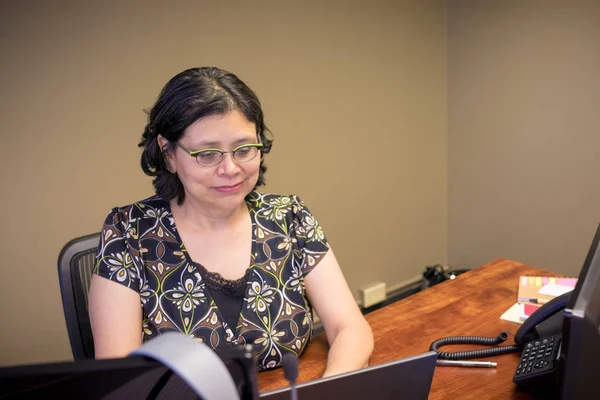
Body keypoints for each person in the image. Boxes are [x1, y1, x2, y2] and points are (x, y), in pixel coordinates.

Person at [88, 67, 373, 377]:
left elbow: (350, 327)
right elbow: (122, 380)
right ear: (168, 153)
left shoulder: (288, 217)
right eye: (208, 154)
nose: (231, 168)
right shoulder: (128, 233)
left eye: (244, 149)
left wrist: (329, 388)